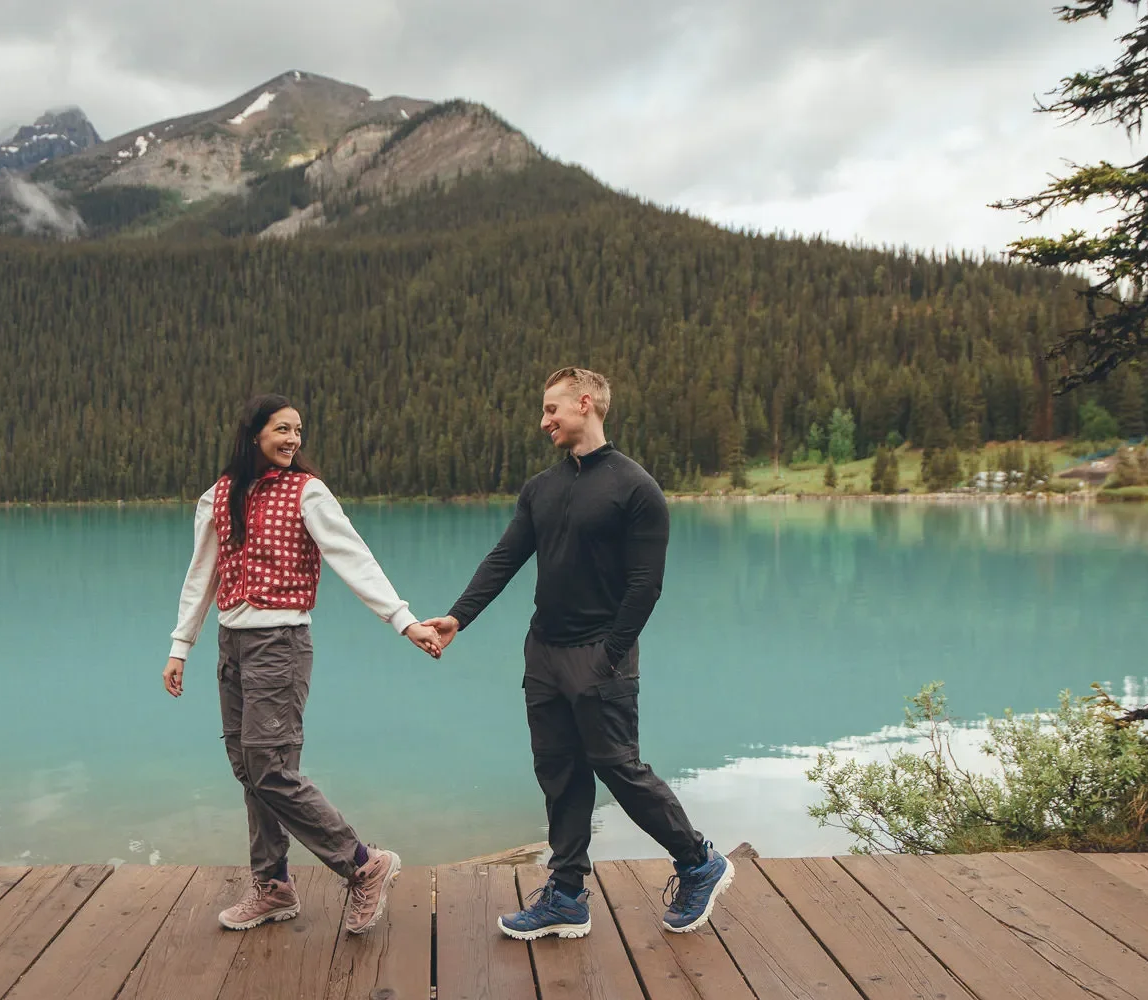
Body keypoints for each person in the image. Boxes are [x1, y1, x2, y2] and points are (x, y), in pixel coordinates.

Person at [422, 367, 733, 940]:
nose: (544, 422)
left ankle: (698, 861)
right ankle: (566, 895)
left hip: (600, 656)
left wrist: (609, 656)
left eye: (551, 410)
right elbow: (505, 557)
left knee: (619, 768)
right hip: (544, 652)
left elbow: (646, 585)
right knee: (559, 772)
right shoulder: (542, 488)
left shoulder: (635, 488)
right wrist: (458, 616)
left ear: (584, 404)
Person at [163, 392, 443, 935]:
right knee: (249, 769)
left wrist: (403, 620)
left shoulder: (306, 491)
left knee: (269, 767)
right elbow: (202, 574)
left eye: (297, 430)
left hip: (280, 644)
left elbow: (352, 556)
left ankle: (363, 864)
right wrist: (181, 646)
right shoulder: (218, 496)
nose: (293, 439)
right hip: (231, 645)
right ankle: (273, 885)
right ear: (254, 434)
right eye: (282, 429)